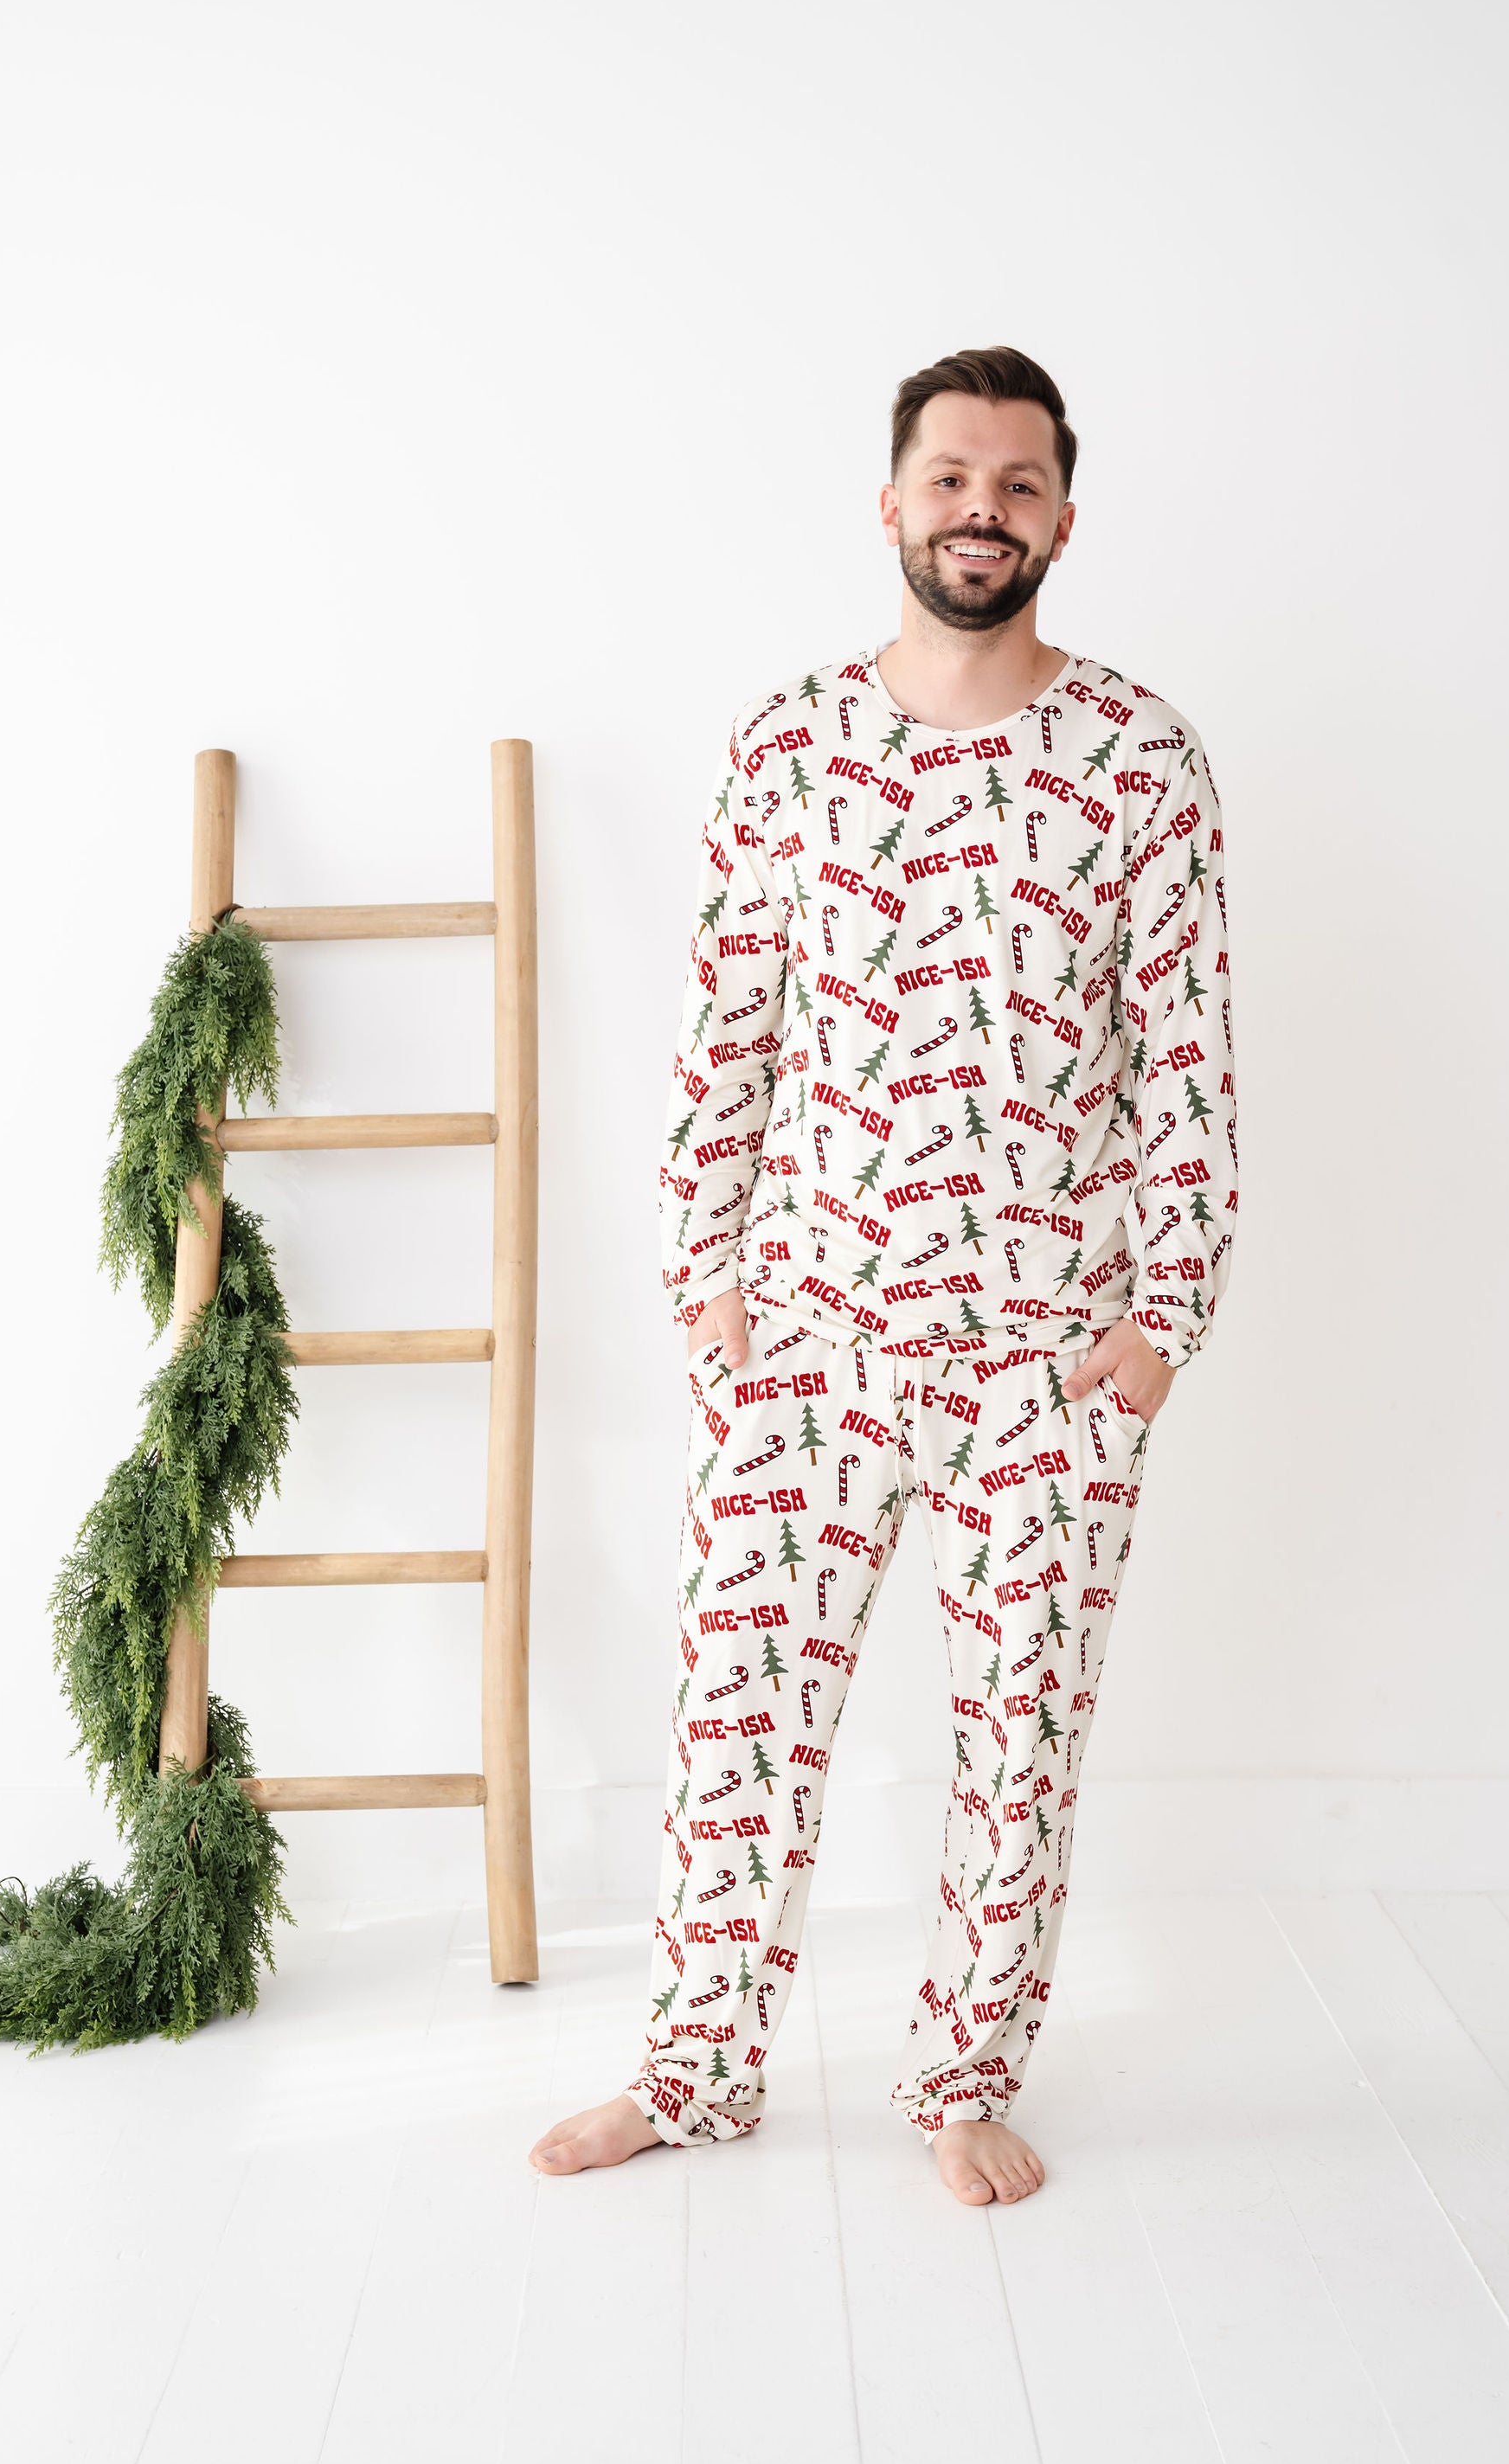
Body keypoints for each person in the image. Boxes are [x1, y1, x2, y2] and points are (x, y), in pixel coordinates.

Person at [530, 345, 1237, 2204]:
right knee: (737, 1724)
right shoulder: (790, 744)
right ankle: (691, 2074)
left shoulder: (1142, 757)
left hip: (1049, 1363)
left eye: (1017, 483)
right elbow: (726, 1033)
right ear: (893, 502)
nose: (981, 510)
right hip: (809, 1338)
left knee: (1020, 1743)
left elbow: (1188, 1055)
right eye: (950, 478)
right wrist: (707, 1293)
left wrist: (1159, 1326)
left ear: (1062, 520)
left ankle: (962, 2080)